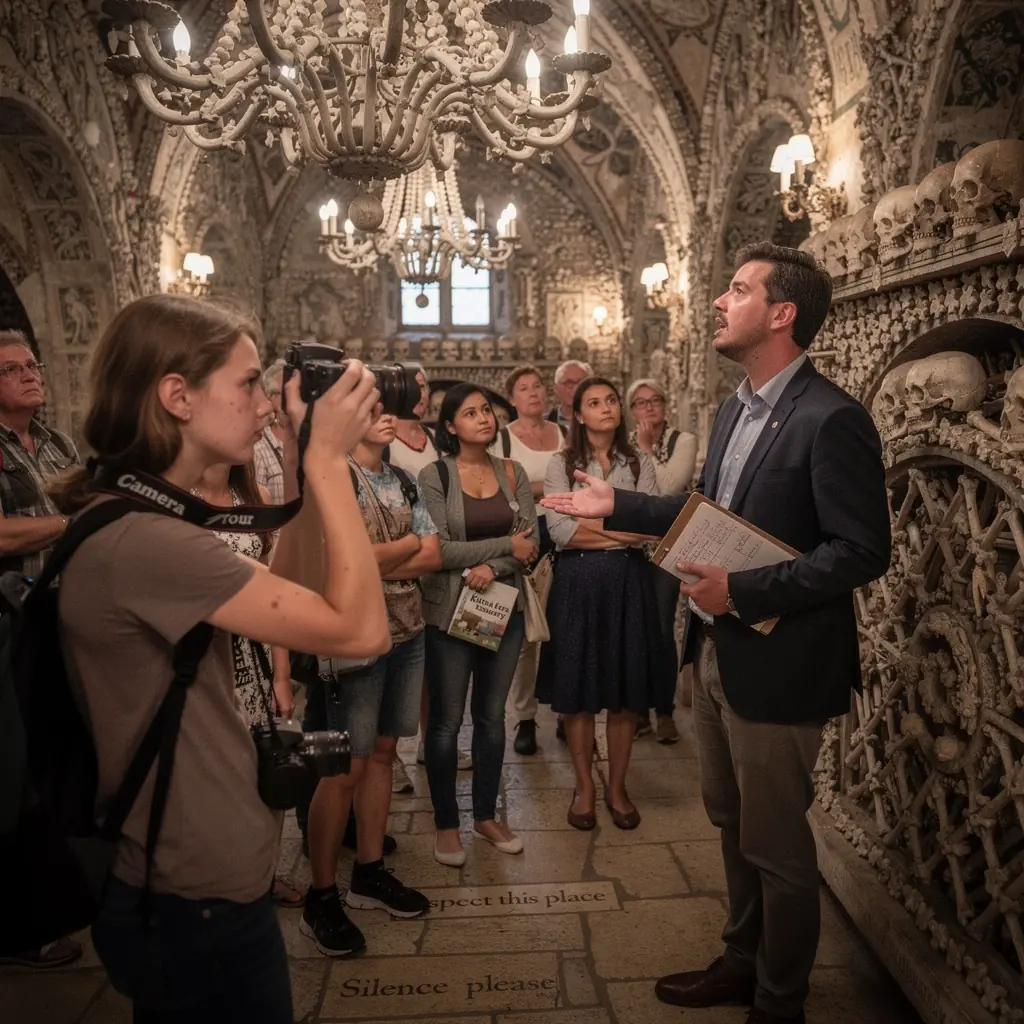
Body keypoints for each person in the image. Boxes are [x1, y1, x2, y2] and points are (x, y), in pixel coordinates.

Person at [542, 243, 891, 1024]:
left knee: (778, 847)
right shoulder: (735, 408)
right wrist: (618, 508)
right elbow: (707, 516)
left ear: (781, 314)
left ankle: (779, 1000)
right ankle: (742, 959)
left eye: (736, 291)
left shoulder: (832, 418)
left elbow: (863, 551)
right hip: (715, 650)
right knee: (732, 827)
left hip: (781, 660)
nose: (716, 303)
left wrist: (745, 589)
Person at [50, 294, 391, 1023]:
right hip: (189, 894)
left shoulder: (158, 521)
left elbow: (293, 593)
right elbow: (362, 632)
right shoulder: (148, 541)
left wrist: (303, 458)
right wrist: (331, 462)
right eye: (247, 384)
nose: (267, 403)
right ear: (177, 396)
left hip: (204, 878)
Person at [301, 410, 440, 957]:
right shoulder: (330, 478)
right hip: (352, 638)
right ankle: (320, 894)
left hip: (406, 632)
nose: (387, 418)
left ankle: (368, 870)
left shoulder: (402, 478)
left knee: (383, 752)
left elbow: (431, 552)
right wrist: (399, 548)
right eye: (372, 406)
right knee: (344, 767)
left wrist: (381, 556)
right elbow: (334, 562)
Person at [418, 384, 538, 867]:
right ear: (450, 427)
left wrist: (496, 566)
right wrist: (504, 550)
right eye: (469, 413)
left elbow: (529, 543)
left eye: (486, 410)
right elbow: (439, 550)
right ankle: (447, 825)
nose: (483, 419)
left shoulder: (514, 472)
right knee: (447, 722)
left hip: (503, 611)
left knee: (491, 718)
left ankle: (486, 816)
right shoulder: (435, 476)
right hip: (450, 613)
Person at [539, 377, 661, 832]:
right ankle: (585, 786)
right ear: (578, 414)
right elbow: (562, 532)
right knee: (579, 691)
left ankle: (618, 788)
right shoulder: (562, 463)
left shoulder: (638, 460)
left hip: (630, 582)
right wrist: (621, 530)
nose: (607, 407)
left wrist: (606, 527)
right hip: (578, 582)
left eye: (612, 399)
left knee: (626, 693)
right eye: (594, 402)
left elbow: (650, 529)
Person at [0, 329, 82, 971]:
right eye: (12, 369)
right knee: (13, 771)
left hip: (65, 621)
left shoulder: (55, 441)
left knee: (57, 763)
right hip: (9, 625)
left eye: (33, 363)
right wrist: (74, 523)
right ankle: (17, 926)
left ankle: (58, 900)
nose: (31, 375)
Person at [191, 459, 304, 910]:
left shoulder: (249, 503)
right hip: (205, 660)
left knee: (265, 767)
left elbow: (273, 595)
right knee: (215, 773)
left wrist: (280, 674)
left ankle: (263, 872)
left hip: (253, 657)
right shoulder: (178, 503)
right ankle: (216, 878)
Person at [490, 364, 565, 756]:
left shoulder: (564, 434)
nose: (534, 392)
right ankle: (524, 716)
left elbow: (581, 477)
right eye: (524, 388)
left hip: (567, 536)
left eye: (538, 386)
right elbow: (499, 489)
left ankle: (568, 709)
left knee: (566, 626)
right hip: (524, 538)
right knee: (524, 636)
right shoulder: (502, 441)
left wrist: (532, 490)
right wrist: (549, 489)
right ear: (513, 399)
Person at [626, 377, 698, 744]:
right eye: (640, 403)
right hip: (630, 548)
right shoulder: (622, 445)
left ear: (665, 405)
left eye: (655, 400)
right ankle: (637, 710)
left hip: (668, 549)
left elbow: (670, 488)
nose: (649, 407)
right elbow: (625, 492)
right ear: (632, 410)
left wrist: (645, 449)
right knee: (633, 631)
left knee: (660, 629)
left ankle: (664, 711)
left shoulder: (682, 441)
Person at [252, 359, 286, 505]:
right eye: (288, 393)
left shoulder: (311, 440)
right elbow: (255, 502)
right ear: (271, 398)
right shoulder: (259, 447)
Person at [546, 360, 591, 432]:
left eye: (581, 383)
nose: (576, 388)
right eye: (569, 383)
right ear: (556, 388)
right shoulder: (542, 423)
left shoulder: (600, 421)